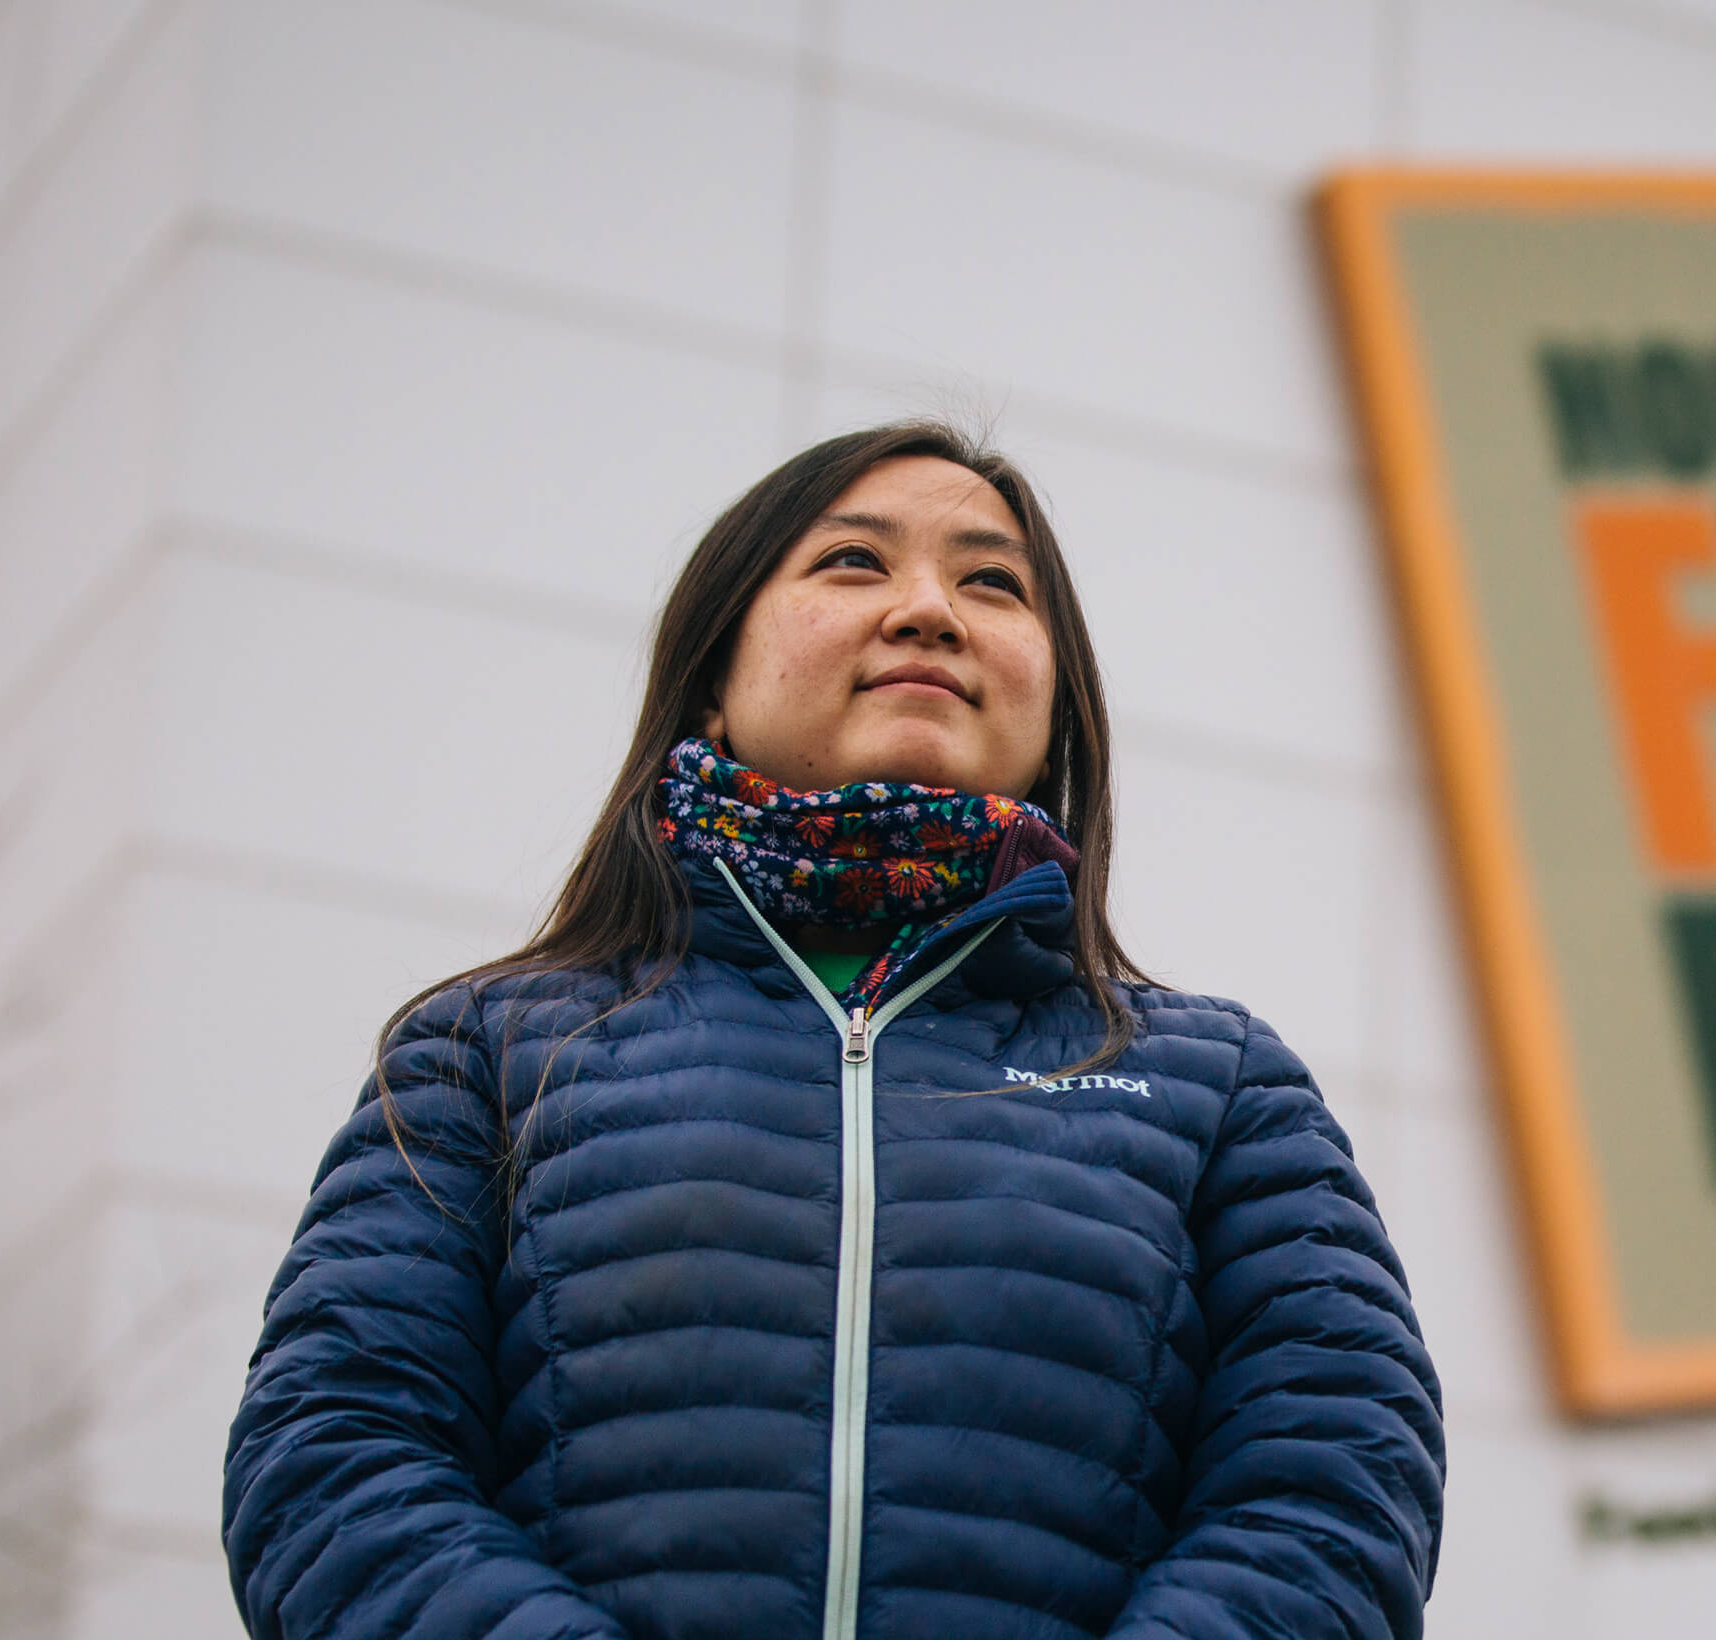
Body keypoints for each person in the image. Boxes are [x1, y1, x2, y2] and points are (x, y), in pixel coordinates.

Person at [221, 422, 1446, 1640]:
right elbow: (334, 1458)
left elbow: (1332, 1485)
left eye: (992, 581)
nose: (929, 610)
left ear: (1057, 700)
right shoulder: (481, 1055)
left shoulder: (1219, 1088)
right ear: (714, 666)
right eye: (855, 562)